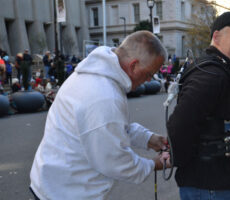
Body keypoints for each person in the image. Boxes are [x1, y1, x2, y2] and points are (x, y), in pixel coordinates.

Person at [30, 30, 171, 200]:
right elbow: (116, 161)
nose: (150, 80)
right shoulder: (104, 96)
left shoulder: (96, 74)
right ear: (133, 65)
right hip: (66, 192)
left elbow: (107, 129)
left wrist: (148, 138)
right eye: (149, 74)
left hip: (55, 181)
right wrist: (154, 164)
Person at [167, 11, 230, 200]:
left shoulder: (215, 68)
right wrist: (176, 157)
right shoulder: (211, 74)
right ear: (217, 37)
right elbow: (179, 124)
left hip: (209, 184)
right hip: (208, 187)